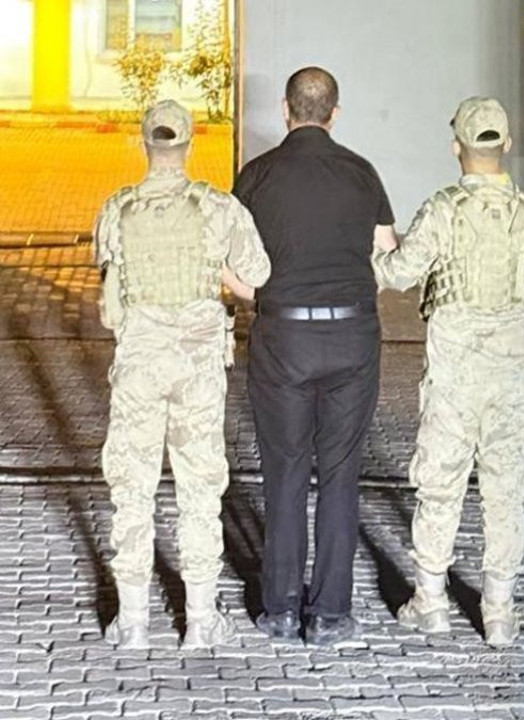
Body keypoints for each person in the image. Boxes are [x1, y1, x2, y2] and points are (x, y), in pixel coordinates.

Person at [372, 97, 524, 647]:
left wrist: (379, 250)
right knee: (506, 490)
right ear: (505, 145)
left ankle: (432, 601)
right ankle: (499, 613)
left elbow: (397, 275)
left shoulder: (441, 209)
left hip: (457, 360)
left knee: (440, 483)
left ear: (456, 148)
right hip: (516, 360)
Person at [95, 99, 271, 649]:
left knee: (132, 489)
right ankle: (199, 620)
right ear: (191, 145)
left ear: (144, 145)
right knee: (199, 488)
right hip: (197, 365)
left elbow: (109, 307)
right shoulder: (219, 209)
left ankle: (134, 623)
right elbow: (259, 275)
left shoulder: (117, 209)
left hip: (140, 364)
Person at [232, 67, 398, 646]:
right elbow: (387, 255)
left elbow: (234, 261)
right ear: (335, 112)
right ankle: (329, 612)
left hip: (283, 340)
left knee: (284, 472)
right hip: (353, 338)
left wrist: (264, 295)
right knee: (340, 474)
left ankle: (279, 608)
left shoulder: (257, 175)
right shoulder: (361, 172)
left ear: (285, 110)